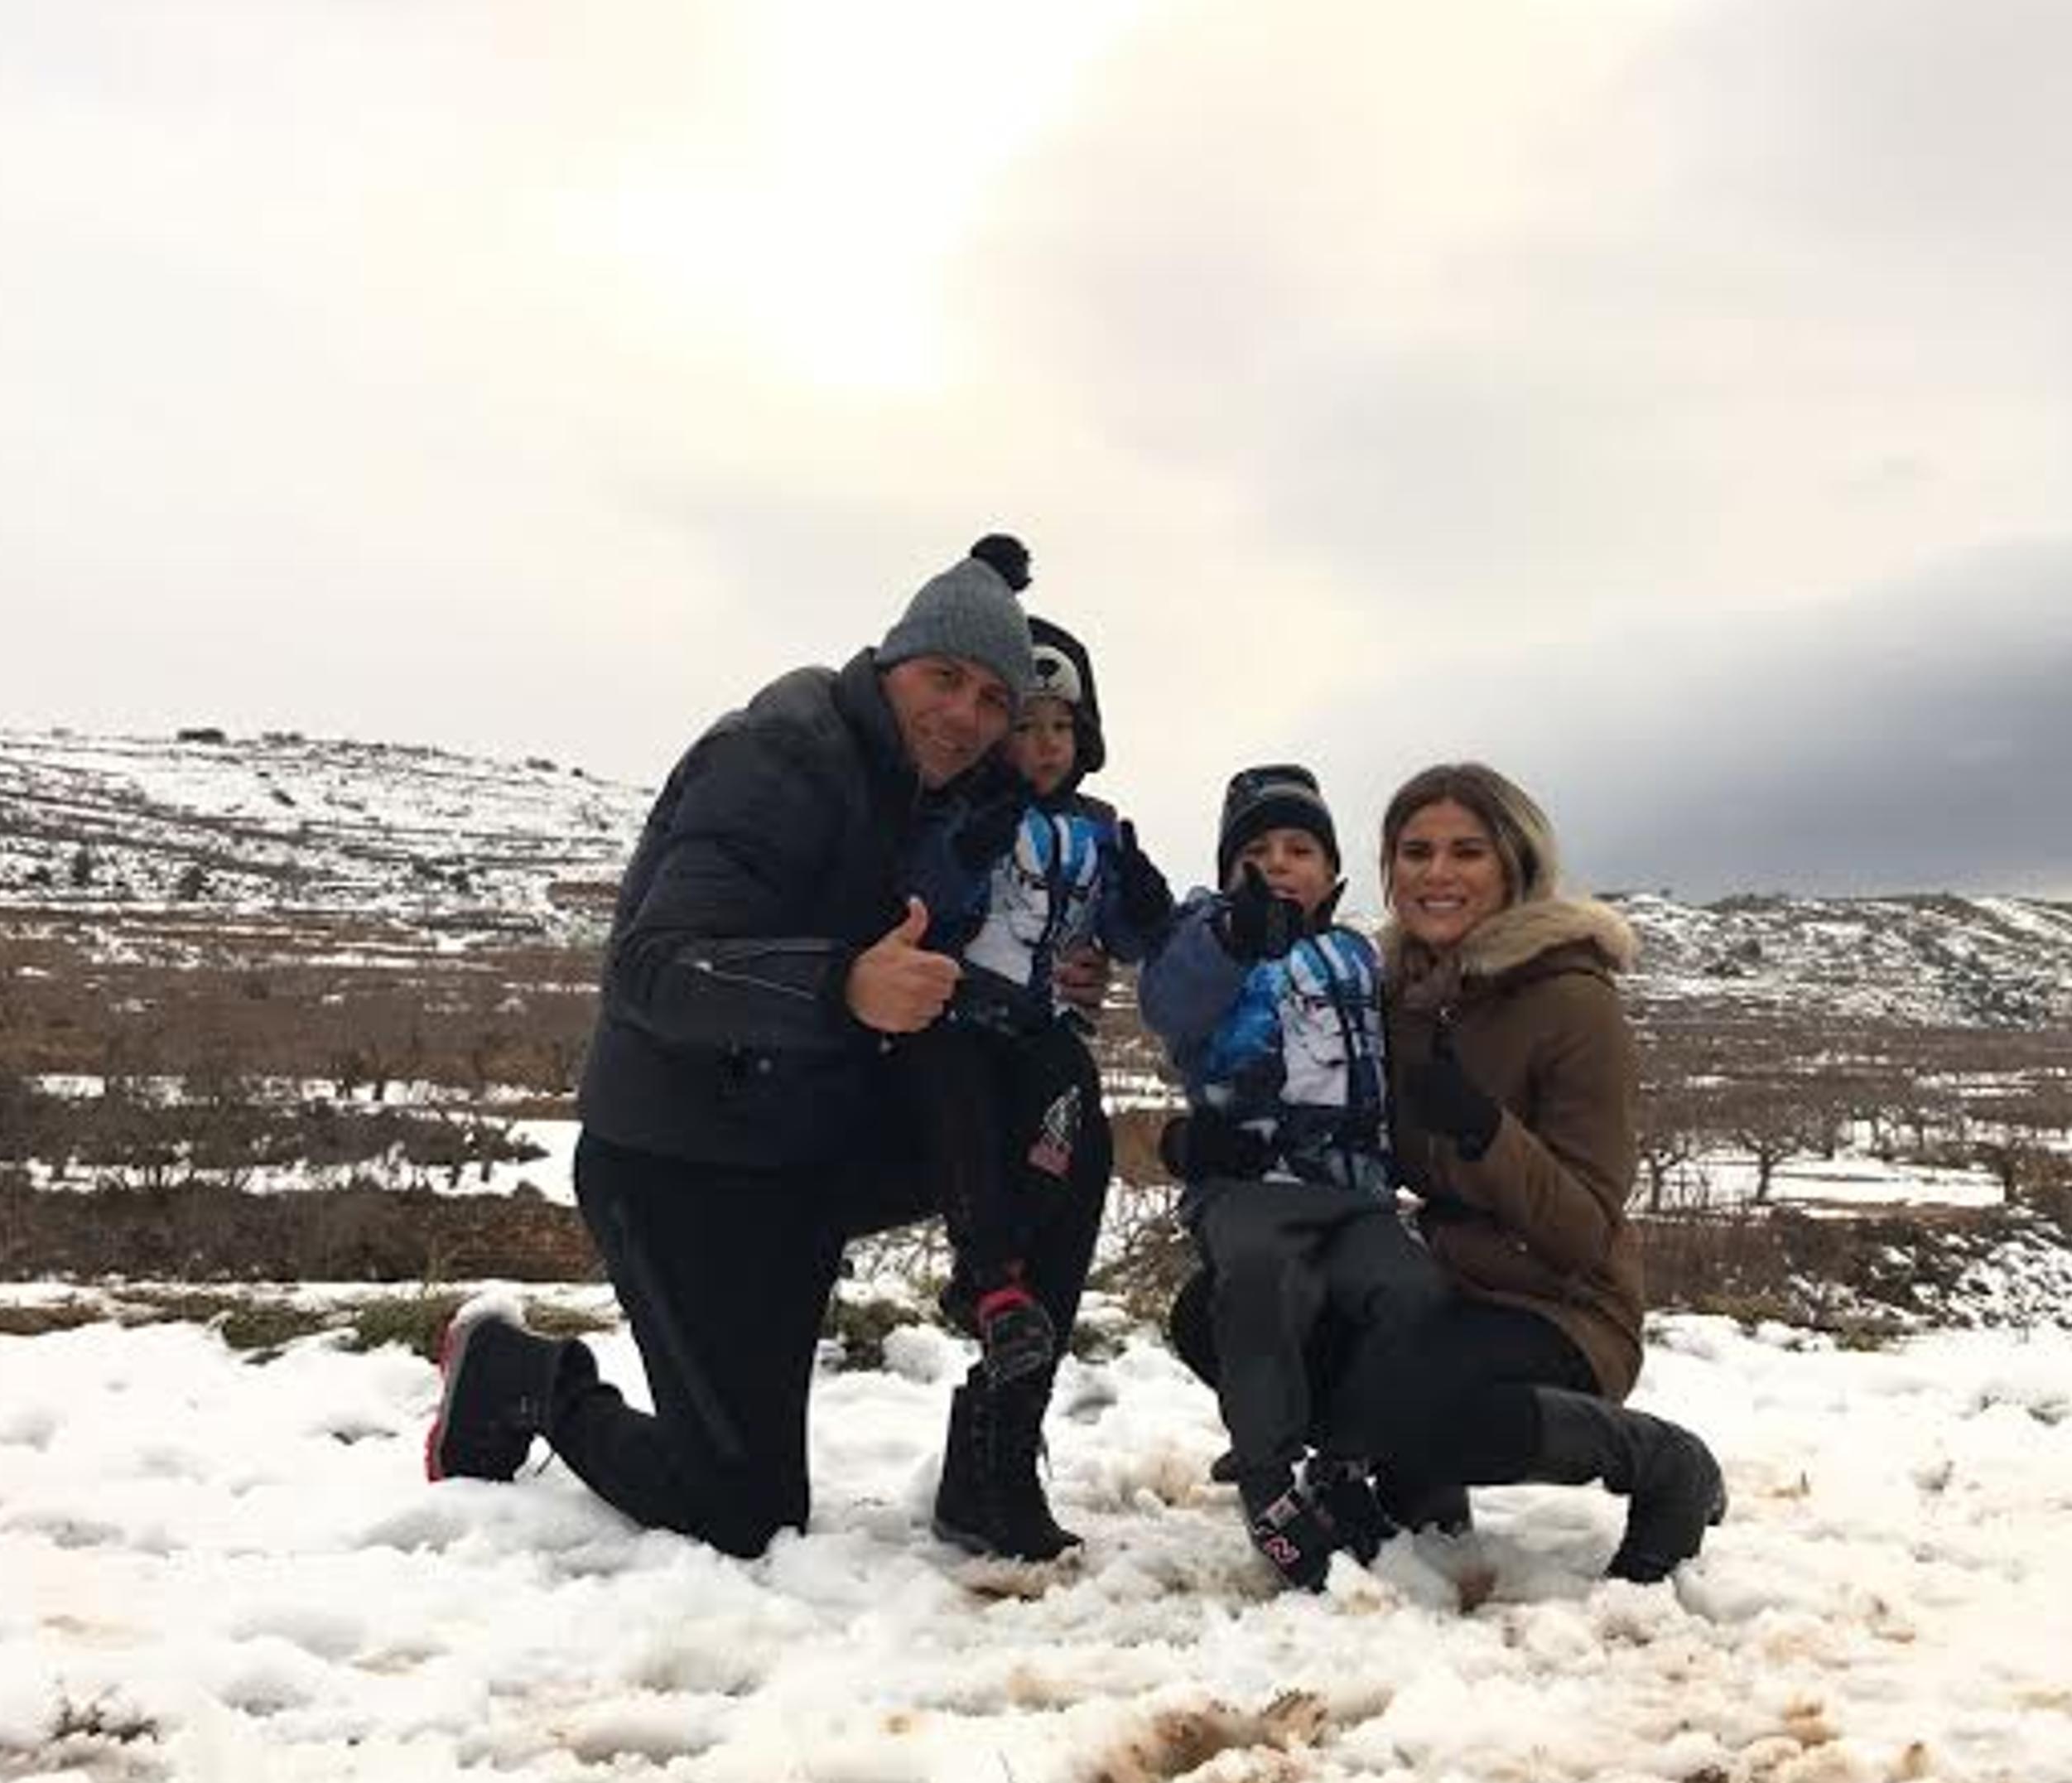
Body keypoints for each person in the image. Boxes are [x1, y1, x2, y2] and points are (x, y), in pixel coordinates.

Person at [423, 531, 1111, 1564]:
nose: (965, 715)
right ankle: (520, 1377)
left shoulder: (941, 793)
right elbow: (656, 967)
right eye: (946, 679)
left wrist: (1047, 973)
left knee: (1065, 1121)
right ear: (892, 662)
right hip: (677, 1159)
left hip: (808, 1146)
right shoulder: (780, 756)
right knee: (741, 1510)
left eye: (991, 702)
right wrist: (843, 985)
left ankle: (994, 1459)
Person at [1168, 762, 1724, 1582]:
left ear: (1513, 864)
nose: (1437, 873)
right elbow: (1303, 1105)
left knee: (1410, 1401)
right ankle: (1418, 1485)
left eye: (1466, 851)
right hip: (1438, 1280)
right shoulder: (1388, 988)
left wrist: (1484, 1131)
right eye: (1415, 850)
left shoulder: (1573, 999)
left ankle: (1665, 1462)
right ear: (1388, 871)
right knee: (1211, 1313)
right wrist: (1199, 1141)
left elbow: (1584, 1226)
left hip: (1560, 1302)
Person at [894, 613, 1173, 1538]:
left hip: (1050, 1038)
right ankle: (986, 1276)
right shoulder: (960, 808)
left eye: (1062, 728)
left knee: (1072, 1172)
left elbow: (1131, 937)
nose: (1044, 746)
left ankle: (1000, 1455)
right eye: (1026, 725)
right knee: (972, 1127)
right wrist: (972, 847)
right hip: (960, 1022)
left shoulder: (1098, 829)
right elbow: (924, 893)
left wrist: (1142, 902)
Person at [1138, 764, 1422, 1589]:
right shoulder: (1206, 942)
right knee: (1264, 1295)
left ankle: (1350, 1461)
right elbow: (1171, 1001)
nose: (1279, 863)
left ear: (1333, 871)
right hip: (1251, 1189)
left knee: (1409, 1297)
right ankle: (1266, 1480)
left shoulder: (1358, 954)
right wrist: (1230, 935)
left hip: (1356, 1190)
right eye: (1255, 850)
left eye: (1301, 847)